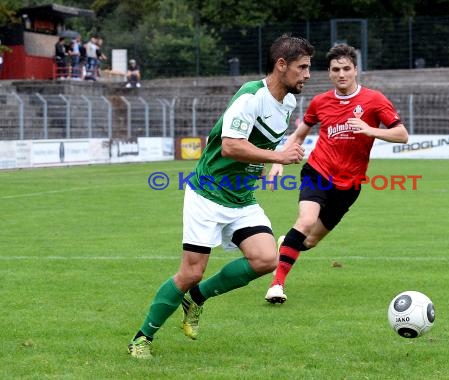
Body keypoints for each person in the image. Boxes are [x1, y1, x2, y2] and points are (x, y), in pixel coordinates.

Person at [127, 34, 314, 359]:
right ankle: (142, 338)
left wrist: (277, 159)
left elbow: (268, 144)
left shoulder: (288, 103)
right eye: (302, 67)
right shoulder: (250, 96)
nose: (308, 75)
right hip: (209, 194)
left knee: (266, 259)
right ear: (281, 65)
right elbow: (231, 145)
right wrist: (277, 158)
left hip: (241, 198)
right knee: (190, 271)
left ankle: (196, 298)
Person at [264, 43, 409, 304]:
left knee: (308, 242)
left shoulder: (374, 100)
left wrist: (370, 130)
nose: (341, 74)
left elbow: (402, 135)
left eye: (346, 69)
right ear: (329, 73)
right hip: (318, 171)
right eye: (335, 70)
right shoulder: (320, 102)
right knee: (305, 221)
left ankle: (289, 242)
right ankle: (277, 284)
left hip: (349, 185)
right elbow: (299, 135)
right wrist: (278, 161)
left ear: (355, 70)